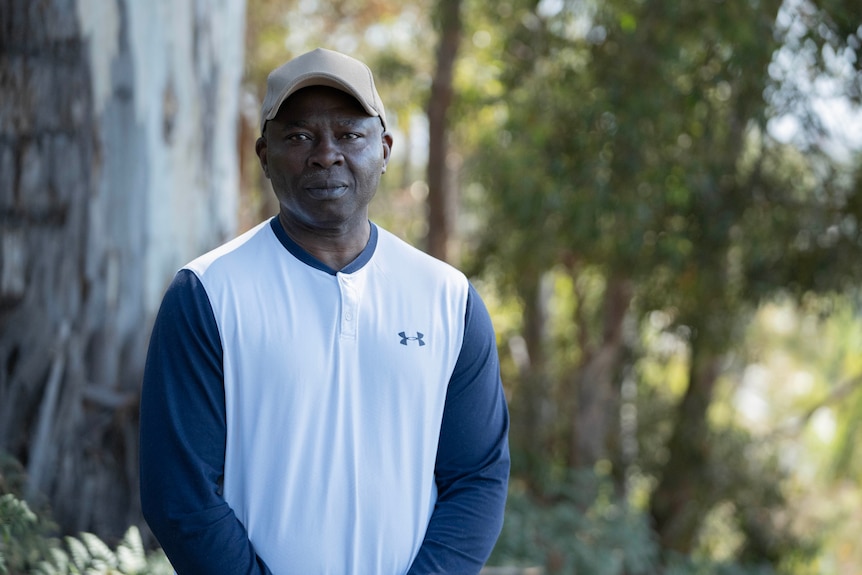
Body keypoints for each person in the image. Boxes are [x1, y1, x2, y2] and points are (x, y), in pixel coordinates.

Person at [139, 47, 510, 575]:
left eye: (349, 134)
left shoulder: (448, 299)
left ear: (383, 149)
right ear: (264, 155)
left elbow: (477, 477)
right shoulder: (207, 294)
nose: (325, 154)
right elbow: (178, 495)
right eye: (298, 136)